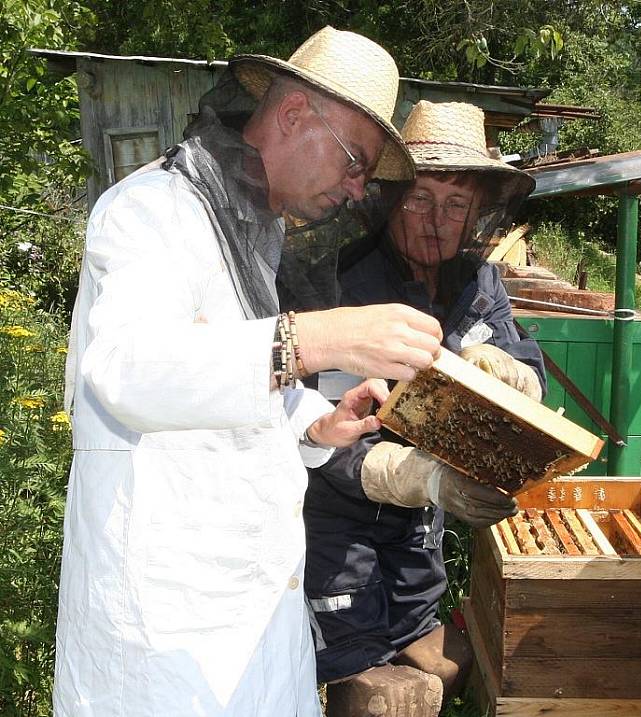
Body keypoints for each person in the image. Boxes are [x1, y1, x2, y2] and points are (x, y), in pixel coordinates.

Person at [53, 27, 445, 717]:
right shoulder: (152, 211)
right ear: (295, 115)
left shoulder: (251, 234)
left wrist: (315, 421)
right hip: (163, 649)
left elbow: (224, 383)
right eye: (356, 162)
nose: (358, 191)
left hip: (255, 632)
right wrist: (318, 336)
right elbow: (127, 369)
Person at [302, 100, 546, 717]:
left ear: (478, 213)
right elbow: (316, 433)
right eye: (420, 199)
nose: (436, 220)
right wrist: (421, 476)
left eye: (455, 204)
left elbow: (526, 365)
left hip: (420, 541)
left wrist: (513, 377)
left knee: (450, 665)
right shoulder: (344, 286)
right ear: (389, 198)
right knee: (380, 697)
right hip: (338, 538)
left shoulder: (478, 283)